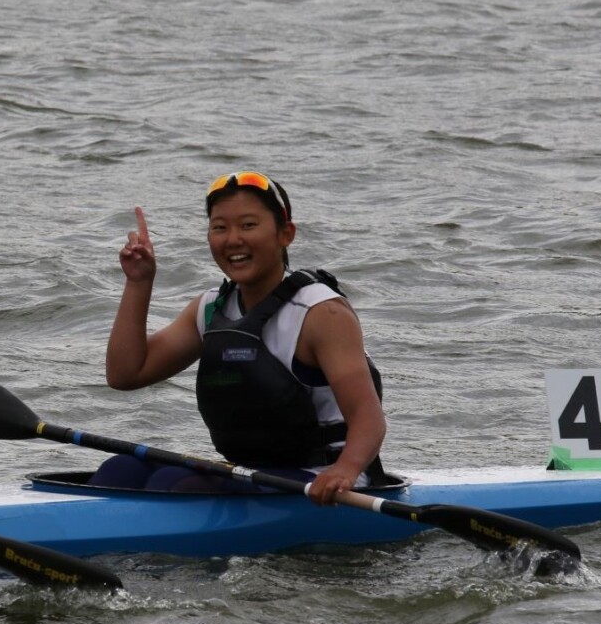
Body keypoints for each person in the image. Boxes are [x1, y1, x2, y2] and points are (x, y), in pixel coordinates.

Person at [97, 171, 387, 505]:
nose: (232, 239)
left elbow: (369, 418)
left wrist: (344, 471)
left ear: (285, 234)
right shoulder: (210, 308)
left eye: (248, 225)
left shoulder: (321, 313)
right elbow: (125, 374)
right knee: (119, 471)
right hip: (253, 474)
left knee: (175, 483)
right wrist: (139, 282)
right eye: (220, 227)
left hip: (323, 480)